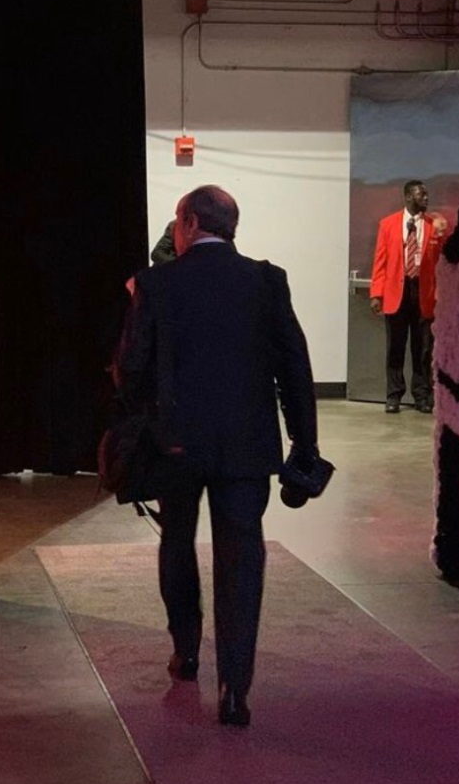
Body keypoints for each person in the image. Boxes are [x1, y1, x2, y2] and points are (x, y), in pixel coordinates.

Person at [113, 185, 318, 727]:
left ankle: (186, 654)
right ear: (229, 227)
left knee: (177, 540)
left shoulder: (155, 285)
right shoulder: (266, 281)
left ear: (187, 221)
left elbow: (130, 368)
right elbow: (295, 369)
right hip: (247, 448)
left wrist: (145, 414)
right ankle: (234, 689)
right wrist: (305, 443)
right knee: (241, 559)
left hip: (175, 445)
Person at [369, 180, 448, 414]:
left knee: (422, 348)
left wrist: (443, 233)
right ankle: (393, 396)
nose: (425, 198)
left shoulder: (434, 224)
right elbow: (380, 261)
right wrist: (377, 294)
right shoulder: (388, 225)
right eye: (420, 194)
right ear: (407, 197)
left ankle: (422, 396)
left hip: (424, 293)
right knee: (395, 347)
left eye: (426, 194)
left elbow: (445, 258)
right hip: (397, 292)